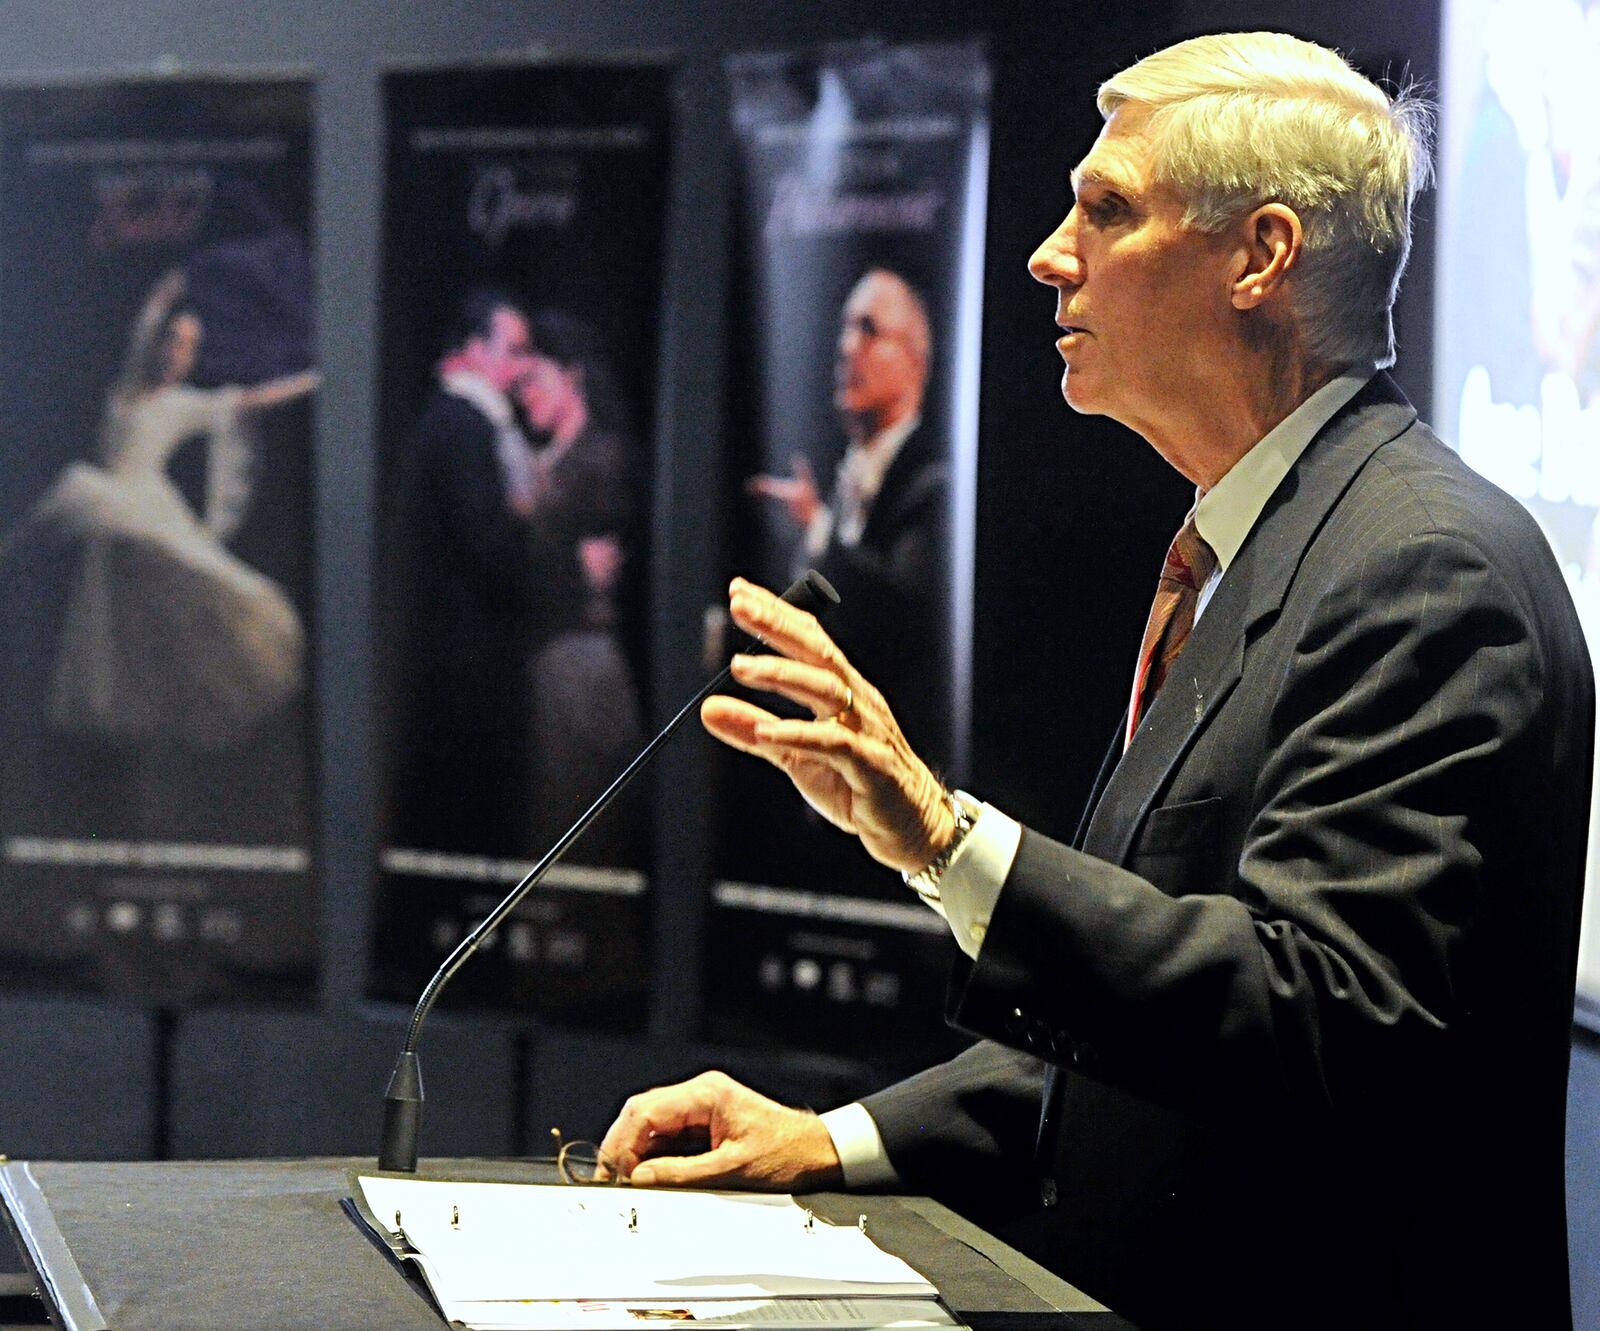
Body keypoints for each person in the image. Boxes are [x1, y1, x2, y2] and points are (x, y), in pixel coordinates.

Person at [600, 32, 1594, 1331]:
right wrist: (828, 1138)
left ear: (1261, 256)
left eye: (1106, 208)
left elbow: (1319, 1018)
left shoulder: (1421, 565)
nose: (1046, 251)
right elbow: (1128, 1037)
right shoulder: (1248, 551)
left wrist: (951, 840)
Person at [20, 267, 317, 751]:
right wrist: (190, 274)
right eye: (177, 342)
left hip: (144, 507)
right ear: (159, 343)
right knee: (112, 617)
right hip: (109, 502)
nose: (182, 356)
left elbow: (250, 401)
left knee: (195, 593)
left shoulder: (182, 404)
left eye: (191, 348)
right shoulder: (131, 380)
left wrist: (316, 378)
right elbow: (153, 309)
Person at [747, 267, 951, 762]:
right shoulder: (845, 473)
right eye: (844, 328)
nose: (845, 346)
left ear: (916, 361)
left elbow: (899, 612)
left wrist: (817, 533)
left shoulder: (938, 483)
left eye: (869, 329)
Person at [390, 289, 540, 854]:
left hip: (462, 649)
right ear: (476, 349)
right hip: (468, 655)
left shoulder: (467, 419)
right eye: (514, 349)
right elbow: (489, 545)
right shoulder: (463, 423)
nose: (523, 364)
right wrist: (528, 534)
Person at [516, 307, 644, 861]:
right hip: (551, 654)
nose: (524, 395)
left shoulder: (600, 458)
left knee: (580, 820)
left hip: (585, 659)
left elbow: (598, 568)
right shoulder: (550, 459)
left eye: (533, 378)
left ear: (571, 375)